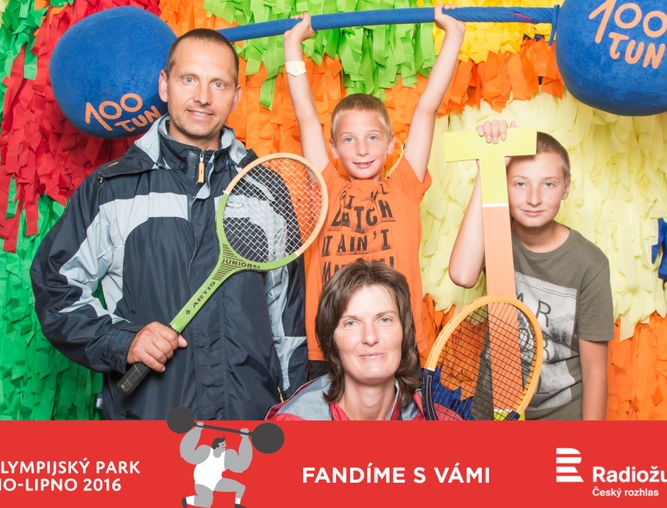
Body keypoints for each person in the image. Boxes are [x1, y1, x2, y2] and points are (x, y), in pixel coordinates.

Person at [30, 29, 308, 420]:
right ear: (165, 85)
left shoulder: (265, 188)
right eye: (189, 79)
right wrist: (123, 340)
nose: (203, 97)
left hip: (249, 422)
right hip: (147, 423)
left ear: (236, 96)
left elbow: (288, 320)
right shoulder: (110, 189)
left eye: (218, 84)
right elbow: (56, 291)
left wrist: (298, 411)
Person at [282, 5, 466, 377]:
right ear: (334, 148)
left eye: (372, 138)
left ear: (391, 145)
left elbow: (427, 109)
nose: (362, 149)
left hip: (399, 345)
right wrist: (292, 46)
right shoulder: (325, 185)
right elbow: (305, 115)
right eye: (349, 139)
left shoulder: (404, 185)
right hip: (331, 349)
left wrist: (454, 36)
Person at [448, 122, 613, 420]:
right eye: (520, 184)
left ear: (566, 188)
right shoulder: (496, 236)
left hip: (560, 417)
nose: (534, 198)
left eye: (548, 184)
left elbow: (595, 372)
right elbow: (462, 275)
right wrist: (489, 167)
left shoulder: (590, 263)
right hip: (494, 409)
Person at [267, 260, 457, 420]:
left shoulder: (444, 423)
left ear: (404, 332)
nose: (370, 337)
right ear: (331, 340)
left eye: (384, 320)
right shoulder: (290, 426)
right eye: (351, 323)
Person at [180, 423, 252, 508]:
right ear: (217, 445)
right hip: (203, 481)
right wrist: (197, 430)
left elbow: (242, 464)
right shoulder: (206, 452)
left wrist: (245, 438)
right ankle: (186, 500)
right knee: (206, 503)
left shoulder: (226, 457)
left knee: (240, 487)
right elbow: (188, 452)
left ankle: (237, 504)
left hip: (216, 481)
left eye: (225, 444)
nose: (225, 446)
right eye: (223, 444)